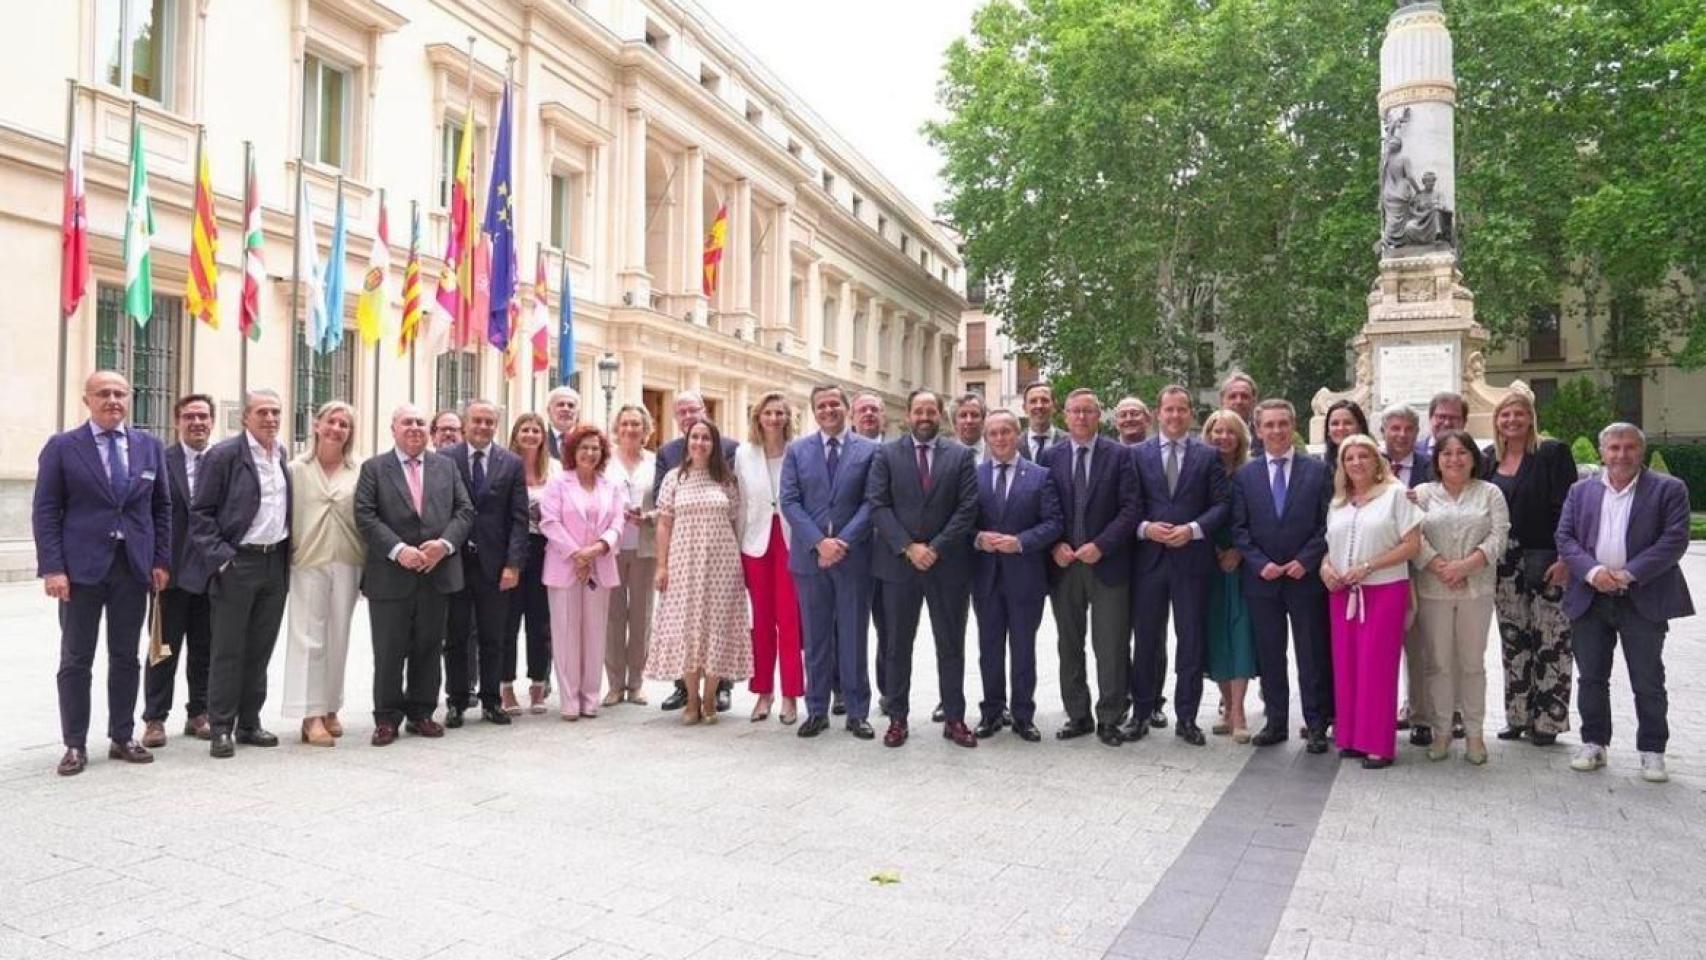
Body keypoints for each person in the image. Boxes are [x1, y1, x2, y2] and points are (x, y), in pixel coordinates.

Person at [32, 370, 170, 776]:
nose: (113, 400)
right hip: (80, 572)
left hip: (132, 568)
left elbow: (161, 508)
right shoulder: (62, 447)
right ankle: (74, 743)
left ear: (130, 399)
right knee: (76, 658)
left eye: (120, 393)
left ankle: (122, 736)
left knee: (126, 657)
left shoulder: (149, 446)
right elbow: (45, 510)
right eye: (104, 393)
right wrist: (53, 568)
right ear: (87, 400)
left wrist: (160, 560)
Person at [1557, 423, 1693, 783]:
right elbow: (1565, 537)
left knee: (1647, 679)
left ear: (1641, 451)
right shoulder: (1580, 491)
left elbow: (1674, 540)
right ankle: (1594, 743)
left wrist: (1628, 573)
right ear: (1602, 453)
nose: (1621, 455)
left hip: (1642, 597)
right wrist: (1593, 571)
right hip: (1591, 596)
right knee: (1592, 678)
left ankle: (1652, 751)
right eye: (1614, 448)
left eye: (1629, 447)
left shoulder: (1669, 489)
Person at [354, 404, 474, 746]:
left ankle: (421, 712)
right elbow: (365, 516)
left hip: (436, 574)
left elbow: (465, 511)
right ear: (393, 428)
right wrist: (399, 550)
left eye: (421, 422)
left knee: (428, 646)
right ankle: (387, 718)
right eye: (407, 422)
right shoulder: (374, 469)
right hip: (391, 576)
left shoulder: (446, 467)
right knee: (389, 650)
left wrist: (445, 544)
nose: (415, 428)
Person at [866, 389, 980, 748]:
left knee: (951, 645)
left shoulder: (960, 456)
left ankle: (955, 718)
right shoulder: (886, 454)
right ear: (909, 416)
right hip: (899, 566)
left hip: (947, 566)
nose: (925, 416)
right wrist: (908, 547)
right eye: (919, 411)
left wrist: (934, 548)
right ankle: (897, 718)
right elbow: (878, 505)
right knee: (897, 645)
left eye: (931, 410)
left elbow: (967, 508)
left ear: (940, 415)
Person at [188, 388, 292, 760]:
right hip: (238, 563)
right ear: (246, 417)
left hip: (274, 563)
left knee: (260, 648)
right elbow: (200, 514)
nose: (270, 419)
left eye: (276, 412)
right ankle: (221, 727)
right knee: (228, 649)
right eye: (263, 412)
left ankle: (250, 721)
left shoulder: (280, 453)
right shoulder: (224, 455)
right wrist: (222, 559)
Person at [1129, 386, 1229, 745]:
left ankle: (1187, 717)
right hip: (1149, 562)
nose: (1174, 416)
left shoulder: (1208, 455)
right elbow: (1128, 505)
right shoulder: (1136, 455)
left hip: (1192, 562)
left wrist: (1193, 530)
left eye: (1181, 410)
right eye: (1168, 410)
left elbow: (1221, 505)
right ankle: (1140, 712)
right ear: (1157, 413)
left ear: (1190, 414)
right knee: (1146, 642)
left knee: (1191, 641)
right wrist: (1145, 528)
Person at [1232, 399, 1333, 753]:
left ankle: (1317, 724)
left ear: (1293, 427)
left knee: (1311, 655)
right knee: (1270, 654)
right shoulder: (1246, 475)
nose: (1276, 431)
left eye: (1282, 424)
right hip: (1263, 581)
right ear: (1258, 430)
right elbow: (1239, 529)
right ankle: (1276, 721)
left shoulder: (1317, 471)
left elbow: (1327, 524)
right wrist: (1260, 563)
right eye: (1269, 425)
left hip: (1304, 580)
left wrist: (1305, 560)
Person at [1043, 389, 1141, 746]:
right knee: (1069, 643)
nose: (1081, 417)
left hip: (1108, 564)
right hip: (1065, 564)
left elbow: (1131, 508)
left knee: (1111, 644)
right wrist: (1055, 544)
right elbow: (1044, 507)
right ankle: (1078, 714)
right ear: (1064, 416)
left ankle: (1111, 717)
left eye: (1088, 411)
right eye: (1075, 411)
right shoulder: (1050, 457)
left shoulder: (1119, 455)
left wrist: (1102, 545)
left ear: (1099, 416)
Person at [781, 385, 878, 739]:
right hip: (810, 560)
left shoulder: (869, 451)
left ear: (846, 408)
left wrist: (843, 542)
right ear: (814, 411)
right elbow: (789, 501)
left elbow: (873, 502)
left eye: (834, 404)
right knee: (817, 638)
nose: (828, 410)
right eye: (821, 406)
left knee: (854, 637)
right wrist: (819, 543)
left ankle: (857, 712)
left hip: (854, 559)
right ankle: (817, 710)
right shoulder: (797, 450)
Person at [1481, 391, 1577, 746]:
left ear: (1531, 417)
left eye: (1518, 414)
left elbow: (1571, 508)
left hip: (1547, 557)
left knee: (1551, 640)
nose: (1511, 420)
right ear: (1497, 421)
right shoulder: (1490, 458)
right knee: (1513, 640)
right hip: (1505, 563)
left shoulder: (1552, 453)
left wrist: (1566, 558)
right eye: (1505, 415)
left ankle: (1549, 722)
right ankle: (1518, 716)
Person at [1320, 435, 1422, 769]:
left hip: (1384, 589)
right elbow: (1329, 544)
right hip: (1341, 592)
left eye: (1364, 455)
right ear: (1342, 465)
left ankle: (1378, 743)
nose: (1357, 462)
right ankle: (1350, 737)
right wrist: (1326, 569)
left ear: (1377, 461)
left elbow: (1412, 545)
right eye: (1349, 458)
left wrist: (1368, 566)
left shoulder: (1395, 496)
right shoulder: (1339, 502)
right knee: (1347, 664)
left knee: (1376, 666)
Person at [1411, 429, 1507, 764]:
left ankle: (1475, 735)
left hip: (1476, 589)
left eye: (1462, 452)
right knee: (1437, 664)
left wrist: (1466, 566)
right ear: (1437, 460)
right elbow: (1411, 535)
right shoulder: (1422, 494)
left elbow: (1499, 536)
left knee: (1471, 663)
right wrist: (1439, 566)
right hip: (1432, 589)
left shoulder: (1490, 493)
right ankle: (1441, 733)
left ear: (1473, 458)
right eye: (1447, 453)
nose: (1454, 459)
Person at [647, 418, 751, 724]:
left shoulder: (727, 480)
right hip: (683, 563)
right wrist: (662, 565)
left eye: (706, 438)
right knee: (687, 628)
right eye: (695, 437)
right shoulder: (673, 479)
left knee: (716, 628)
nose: (700, 443)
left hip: (721, 564)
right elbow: (664, 523)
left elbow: (735, 522)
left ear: (714, 444)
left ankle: (710, 700)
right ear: (687, 441)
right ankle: (691, 700)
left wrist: (740, 568)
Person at [970, 410, 1062, 742]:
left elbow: (1054, 523)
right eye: (993, 433)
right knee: (989, 648)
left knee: (1023, 648)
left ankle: (1023, 715)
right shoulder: (975, 476)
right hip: (986, 578)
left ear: (1017, 434)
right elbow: (961, 523)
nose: (999, 438)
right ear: (986, 438)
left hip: (1025, 577)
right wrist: (978, 539)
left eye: (1006, 431)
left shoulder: (1040, 476)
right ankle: (992, 712)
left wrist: (1021, 542)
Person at [442, 399, 529, 728]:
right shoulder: (446, 459)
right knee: (456, 635)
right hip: (456, 562)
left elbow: (519, 519)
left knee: (494, 635)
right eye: (477, 421)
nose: (483, 427)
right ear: (465, 424)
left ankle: (492, 700)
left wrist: (513, 564)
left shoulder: (511, 463)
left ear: (496, 426)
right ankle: (457, 700)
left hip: (496, 565)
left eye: (489, 422)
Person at [282, 401, 364, 747]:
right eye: (331, 422)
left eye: (344, 424)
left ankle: (331, 707)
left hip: (348, 558)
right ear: (317, 425)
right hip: (308, 560)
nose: (336, 429)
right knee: (308, 638)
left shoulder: (359, 470)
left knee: (338, 637)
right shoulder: (295, 470)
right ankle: (310, 714)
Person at [141, 393, 215, 747]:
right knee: (162, 649)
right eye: (189, 417)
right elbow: (150, 513)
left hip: (211, 576)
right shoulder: (161, 460)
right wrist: (155, 561)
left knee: (205, 648)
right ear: (177, 422)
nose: (197, 422)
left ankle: (199, 712)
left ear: (212, 422)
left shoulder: (221, 461)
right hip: (169, 575)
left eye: (203, 416)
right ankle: (155, 718)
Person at [540, 425, 625, 720]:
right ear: (573, 451)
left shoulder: (610, 486)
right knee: (565, 634)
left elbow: (618, 523)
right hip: (565, 567)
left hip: (599, 566)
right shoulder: (557, 483)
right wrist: (577, 554)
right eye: (584, 447)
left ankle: (590, 697)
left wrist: (598, 549)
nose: (590, 453)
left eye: (595, 448)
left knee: (594, 633)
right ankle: (569, 698)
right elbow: (548, 522)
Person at [735, 392, 803, 724]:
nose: (774, 418)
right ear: (758, 417)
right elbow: (740, 501)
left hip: (790, 542)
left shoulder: (799, 452)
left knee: (789, 621)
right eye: (768, 413)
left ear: (788, 418)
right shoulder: (743, 454)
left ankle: (790, 695)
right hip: (755, 541)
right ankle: (763, 692)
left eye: (780, 413)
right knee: (760, 621)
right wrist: (735, 545)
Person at [1380, 403, 1438, 744]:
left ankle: (1420, 716)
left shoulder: (1433, 467)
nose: (1401, 435)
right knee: (1381, 646)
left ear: (1418, 434)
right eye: (1394, 429)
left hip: (1419, 567)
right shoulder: (1370, 464)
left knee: (1418, 647)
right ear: (1383, 432)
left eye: (1408, 430)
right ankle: (1379, 713)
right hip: (1379, 568)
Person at [1202, 410, 1257, 742]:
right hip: (1208, 564)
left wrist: (1238, 550)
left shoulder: (1249, 474)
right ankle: (1225, 704)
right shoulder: (1199, 471)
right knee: (1216, 636)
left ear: (1240, 438)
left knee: (1240, 635)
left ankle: (1238, 711)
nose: (1222, 437)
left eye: (1229, 432)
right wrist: (1214, 552)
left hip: (1242, 564)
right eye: (1216, 431)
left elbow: (1259, 518)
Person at [502, 413, 558, 714]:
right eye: (525, 429)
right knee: (508, 623)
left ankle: (538, 685)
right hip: (512, 550)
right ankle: (506, 688)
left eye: (536, 430)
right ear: (515, 434)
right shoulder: (504, 465)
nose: (531, 435)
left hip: (546, 551)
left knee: (540, 622)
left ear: (543, 437)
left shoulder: (556, 470)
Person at [603, 404, 658, 706]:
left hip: (644, 547)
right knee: (612, 617)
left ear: (645, 429)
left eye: (636, 424)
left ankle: (635, 682)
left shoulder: (655, 461)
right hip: (609, 548)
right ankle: (614, 684)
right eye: (624, 424)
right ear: (617, 428)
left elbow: (665, 499)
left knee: (641, 616)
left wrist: (648, 515)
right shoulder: (605, 460)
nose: (630, 429)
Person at [852, 390, 887, 715]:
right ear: (853, 416)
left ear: (883, 416)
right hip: (850, 554)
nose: (868, 415)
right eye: (863, 410)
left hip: (889, 556)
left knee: (889, 628)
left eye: (874, 410)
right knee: (847, 627)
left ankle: (889, 692)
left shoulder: (895, 453)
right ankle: (844, 691)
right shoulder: (841, 453)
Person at [1020, 381, 1066, 461]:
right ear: (1025, 408)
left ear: (1054, 406)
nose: (1039, 406)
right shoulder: (1013, 446)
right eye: (1033, 401)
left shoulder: (1070, 443)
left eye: (1045, 400)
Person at [1323, 399, 1370, 479]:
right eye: (1335, 424)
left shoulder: (1376, 463)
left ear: (1360, 428)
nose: (1341, 428)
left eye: (1347, 423)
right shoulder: (1321, 468)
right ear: (1328, 431)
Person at [1416, 391, 1468, 461]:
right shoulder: (1412, 453)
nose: (1447, 423)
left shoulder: (1477, 458)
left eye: (1453, 418)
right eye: (1441, 417)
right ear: (1430, 418)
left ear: (1464, 422)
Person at [544, 385, 582, 460]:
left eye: (571, 406)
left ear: (577, 413)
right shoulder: (540, 441)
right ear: (549, 410)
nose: (566, 409)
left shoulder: (584, 441)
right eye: (560, 405)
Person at [952, 392, 988, 464]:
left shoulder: (997, 451)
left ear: (983, 421)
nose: (969, 421)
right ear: (954, 423)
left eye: (974, 415)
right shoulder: (943, 455)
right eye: (963, 415)